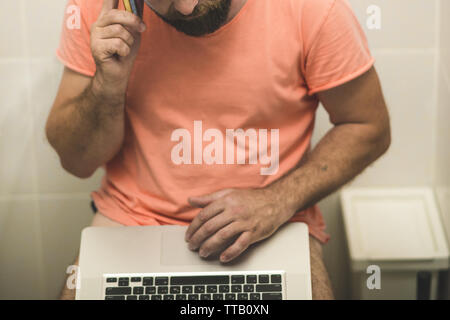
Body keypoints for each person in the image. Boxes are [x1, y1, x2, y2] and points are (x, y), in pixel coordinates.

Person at [47, 0, 391, 300]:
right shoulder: (103, 10)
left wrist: (277, 200)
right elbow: (77, 161)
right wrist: (109, 85)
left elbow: (368, 127)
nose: (185, 8)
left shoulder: (312, 8)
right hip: (132, 220)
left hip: (274, 226)